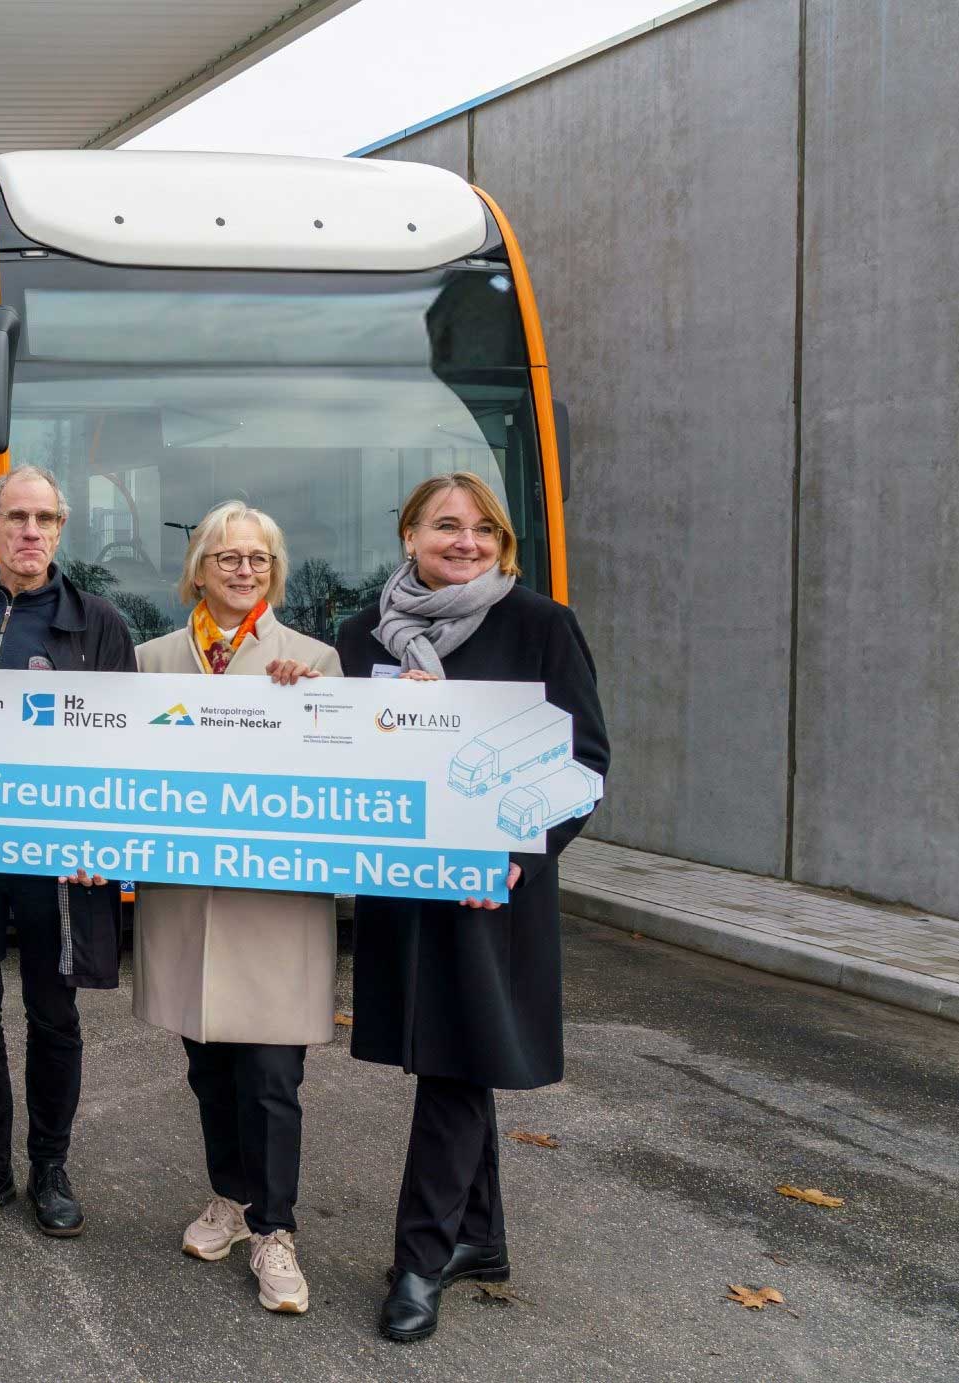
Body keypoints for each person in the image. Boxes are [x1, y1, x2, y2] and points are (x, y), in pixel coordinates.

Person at [333, 472, 608, 1342]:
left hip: (494, 889)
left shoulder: (540, 624)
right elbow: (344, 751)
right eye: (447, 525)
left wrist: (522, 852)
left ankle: (420, 1258)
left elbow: (586, 760)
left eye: (484, 529)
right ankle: (477, 1236)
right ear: (410, 535)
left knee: (456, 1060)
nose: (466, 541)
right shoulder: (363, 634)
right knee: (457, 1052)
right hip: (404, 888)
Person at [132, 501, 342, 1315]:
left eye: (258, 558)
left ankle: (275, 1229)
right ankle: (230, 1194)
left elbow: (341, 769)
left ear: (274, 571)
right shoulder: (151, 661)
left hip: (275, 904)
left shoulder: (313, 661)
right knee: (209, 1066)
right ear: (199, 570)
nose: (244, 570)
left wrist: (316, 707)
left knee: (271, 1074)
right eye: (228, 557)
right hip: (188, 899)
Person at [0, 465, 136, 1237]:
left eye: (45, 518)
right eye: (16, 516)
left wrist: (105, 838)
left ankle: (50, 1165)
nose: (30, 530)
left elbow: (126, 745)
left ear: (60, 529)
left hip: (60, 858)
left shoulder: (98, 623)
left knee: (54, 1014)